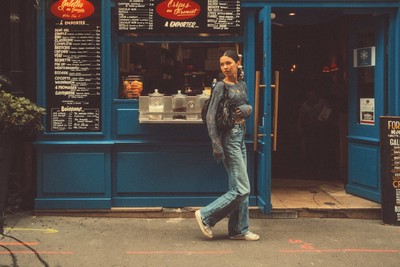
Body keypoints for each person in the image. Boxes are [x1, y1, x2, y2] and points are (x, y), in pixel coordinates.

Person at [195, 50, 259, 241]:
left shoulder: (242, 84)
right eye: (222, 64)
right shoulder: (220, 86)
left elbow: (246, 104)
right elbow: (210, 116)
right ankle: (206, 215)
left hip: (240, 135)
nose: (225, 67)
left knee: (238, 185)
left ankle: (239, 230)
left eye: (228, 63)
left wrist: (248, 109)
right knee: (242, 188)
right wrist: (216, 144)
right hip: (229, 138)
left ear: (238, 63)